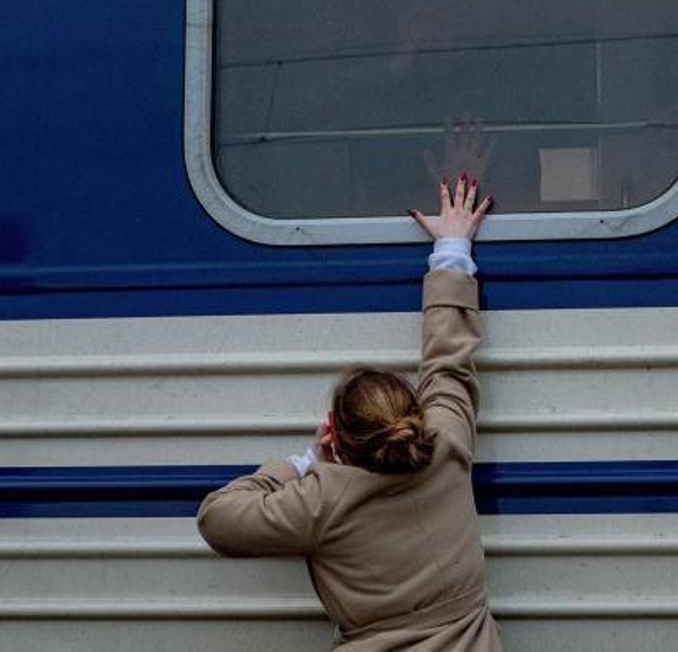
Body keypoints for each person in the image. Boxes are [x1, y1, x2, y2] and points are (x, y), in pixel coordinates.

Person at [197, 173, 499, 651]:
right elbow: (449, 362)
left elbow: (218, 520)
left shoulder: (321, 500)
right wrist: (452, 252)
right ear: (411, 414)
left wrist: (305, 463)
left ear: (334, 436)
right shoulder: (446, 441)